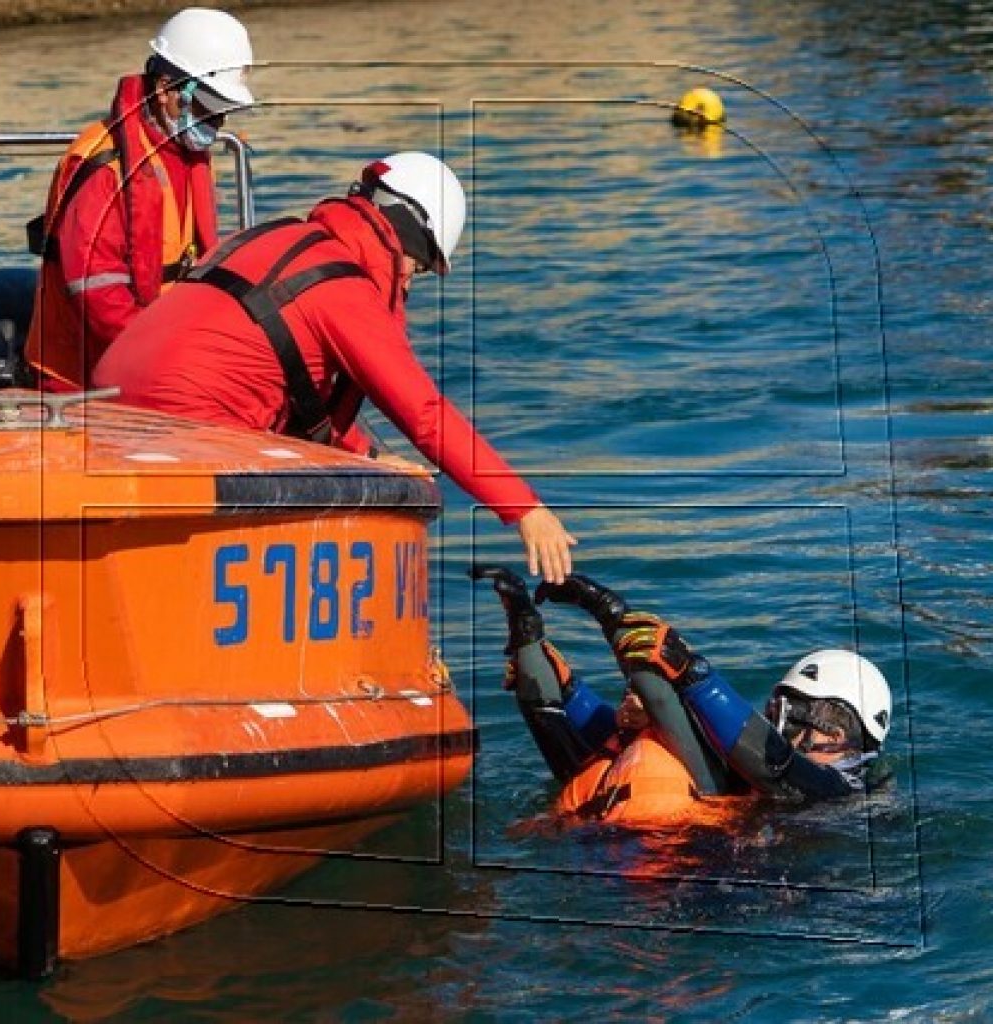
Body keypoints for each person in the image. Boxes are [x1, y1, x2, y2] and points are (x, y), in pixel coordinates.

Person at [94, 152, 577, 582]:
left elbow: (278, 377)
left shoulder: (276, 237)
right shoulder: (343, 287)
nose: (411, 281)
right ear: (407, 230)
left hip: (102, 408)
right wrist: (523, 508)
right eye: (421, 266)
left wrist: (361, 457)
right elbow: (424, 414)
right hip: (185, 428)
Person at [470, 566, 892, 822]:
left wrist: (692, 672)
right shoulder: (751, 781)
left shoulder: (844, 794)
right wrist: (533, 642)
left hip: (708, 897)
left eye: (794, 712)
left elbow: (776, 767)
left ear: (837, 733)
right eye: (776, 707)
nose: (777, 721)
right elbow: (599, 734)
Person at [25, 8, 255, 390]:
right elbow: (96, 289)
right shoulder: (104, 163)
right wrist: (162, 357)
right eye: (208, 108)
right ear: (166, 90)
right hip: (80, 379)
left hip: (155, 354)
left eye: (223, 111)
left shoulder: (184, 150)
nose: (217, 124)